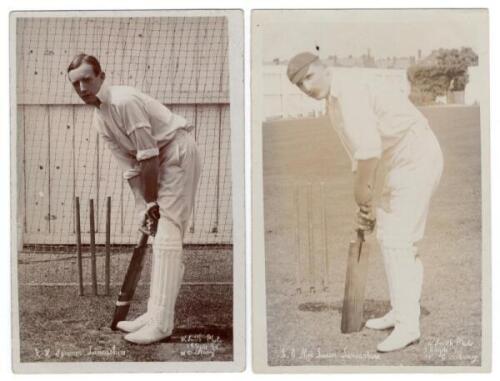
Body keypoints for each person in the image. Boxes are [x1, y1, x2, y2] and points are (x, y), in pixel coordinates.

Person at [286, 52, 443, 352]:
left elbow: (370, 151)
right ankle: (401, 309)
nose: (305, 87)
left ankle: (408, 325)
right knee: (389, 237)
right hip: (399, 161)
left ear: (325, 69)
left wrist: (362, 195)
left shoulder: (350, 92)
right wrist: (366, 205)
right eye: (298, 84)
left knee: (399, 240)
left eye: (308, 77)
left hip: (417, 156)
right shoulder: (333, 103)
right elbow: (359, 156)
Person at [67, 53, 201, 345]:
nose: (82, 89)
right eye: (75, 84)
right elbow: (130, 168)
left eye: (87, 80)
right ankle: (154, 313)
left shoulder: (123, 102)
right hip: (157, 160)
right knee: (160, 234)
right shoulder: (99, 118)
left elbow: (149, 156)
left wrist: (152, 202)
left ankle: (162, 323)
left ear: (102, 76)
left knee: (167, 233)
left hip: (176, 152)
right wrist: (143, 205)